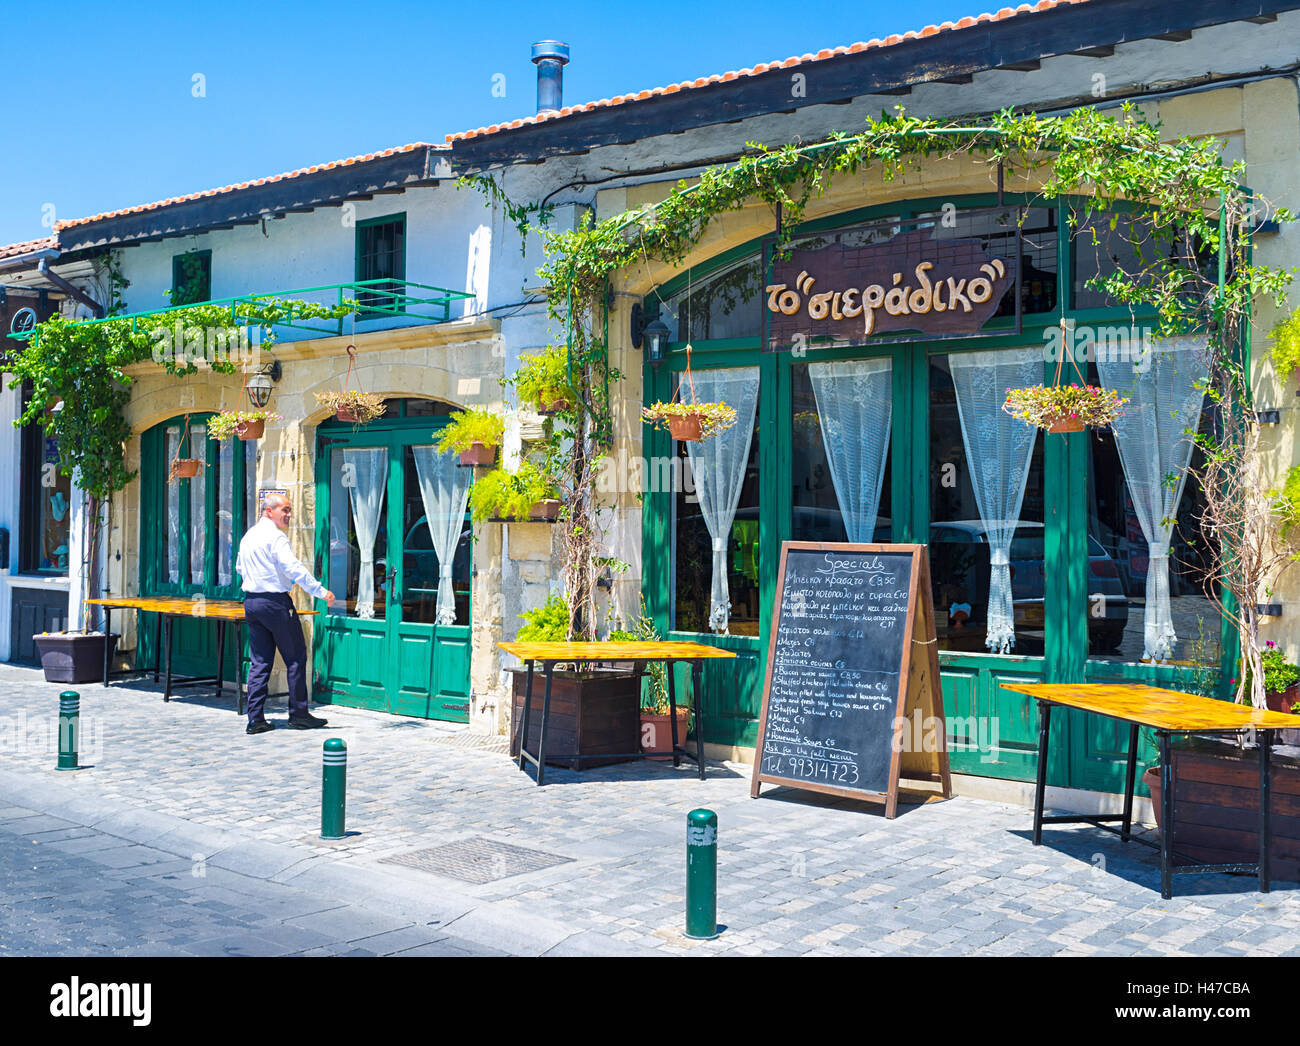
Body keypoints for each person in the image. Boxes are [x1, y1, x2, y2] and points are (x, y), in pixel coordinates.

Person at [236, 493, 335, 735]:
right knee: (296, 657)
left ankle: (255, 719)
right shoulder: (276, 537)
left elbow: (240, 567)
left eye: (289, 510)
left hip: (252, 602)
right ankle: (299, 715)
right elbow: (293, 568)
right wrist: (321, 591)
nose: (289, 515)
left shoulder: (249, 536)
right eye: (285, 510)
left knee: (260, 662)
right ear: (268, 511)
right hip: (275, 603)